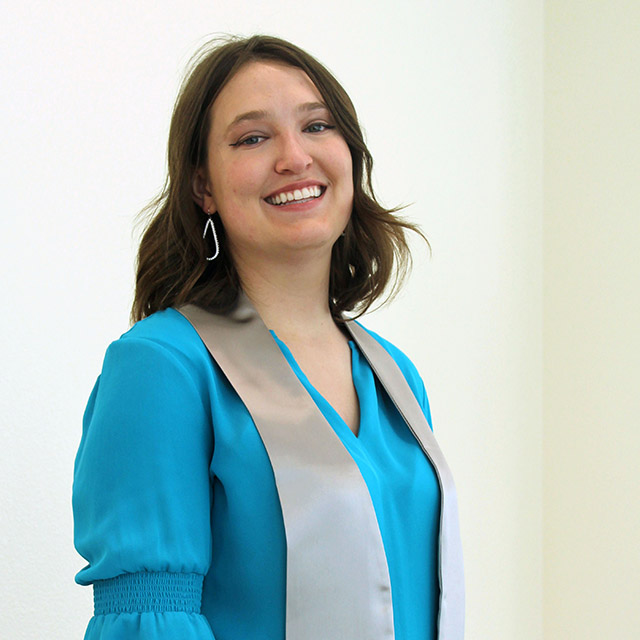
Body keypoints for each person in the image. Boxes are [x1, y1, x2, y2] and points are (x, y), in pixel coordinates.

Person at [72, 34, 464, 640]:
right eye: (252, 138)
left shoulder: (395, 376)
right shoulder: (163, 368)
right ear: (203, 185)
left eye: (317, 126)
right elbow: (149, 621)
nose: (294, 157)